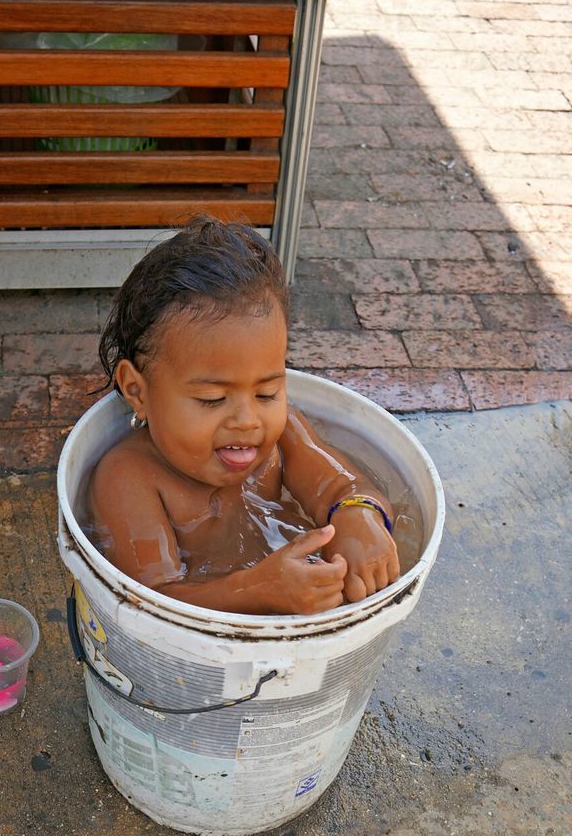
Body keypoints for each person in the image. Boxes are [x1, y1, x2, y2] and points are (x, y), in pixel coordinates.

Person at [87, 216, 400, 615]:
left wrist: (360, 519)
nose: (248, 420)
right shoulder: (129, 477)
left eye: (267, 392)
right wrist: (257, 589)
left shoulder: (283, 435)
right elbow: (151, 600)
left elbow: (346, 488)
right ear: (138, 392)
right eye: (213, 399)